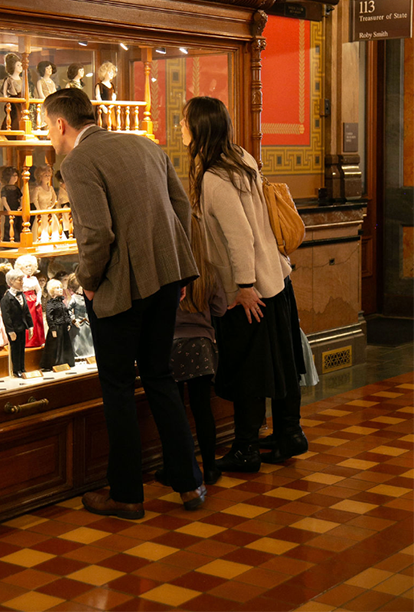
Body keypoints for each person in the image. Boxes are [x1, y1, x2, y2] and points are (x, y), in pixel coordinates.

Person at [43, 87, 204, 520]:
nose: (49, 137)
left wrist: (89, 283)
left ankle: (128, 494)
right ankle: (189, 484)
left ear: (61, 124)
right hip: (168, 279)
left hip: (120, 289)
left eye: (47, 127)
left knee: (116, 387)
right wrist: (176, 269)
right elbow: (182, 206)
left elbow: (96, 234)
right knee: (160, 377)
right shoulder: (144, 143)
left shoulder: (77, 161)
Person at [180, 96, 307, 472]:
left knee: (249, 369)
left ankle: (246, 449)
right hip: (276, 277)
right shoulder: (242, 159)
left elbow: (238, 237)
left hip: (250, 289)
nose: (180, 127)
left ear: (200, 128)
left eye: (184, 121)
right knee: (282, 362)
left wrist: (244, 286)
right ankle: (289, 433)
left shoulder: (215, 178)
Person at [156, 215, 226, 486]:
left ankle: (173, 467)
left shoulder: (166, 270)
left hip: (171, 346)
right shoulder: (208, 270)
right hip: (201, 348)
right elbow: (219, 309)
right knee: (202, 409)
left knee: (173, 412)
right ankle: (210, 467)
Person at [0, 268, 33, 377]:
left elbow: (26, 311)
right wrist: (10, 331)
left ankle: (22, 368)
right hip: (14, 329)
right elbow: (6, 317)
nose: (22, 282)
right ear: (12, 282)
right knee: (15, 349)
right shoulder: (6, 299)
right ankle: (16, 370)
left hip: (22, 326)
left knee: (22, 348)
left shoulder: (22, 295)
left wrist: (30, 326)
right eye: (19, 280)